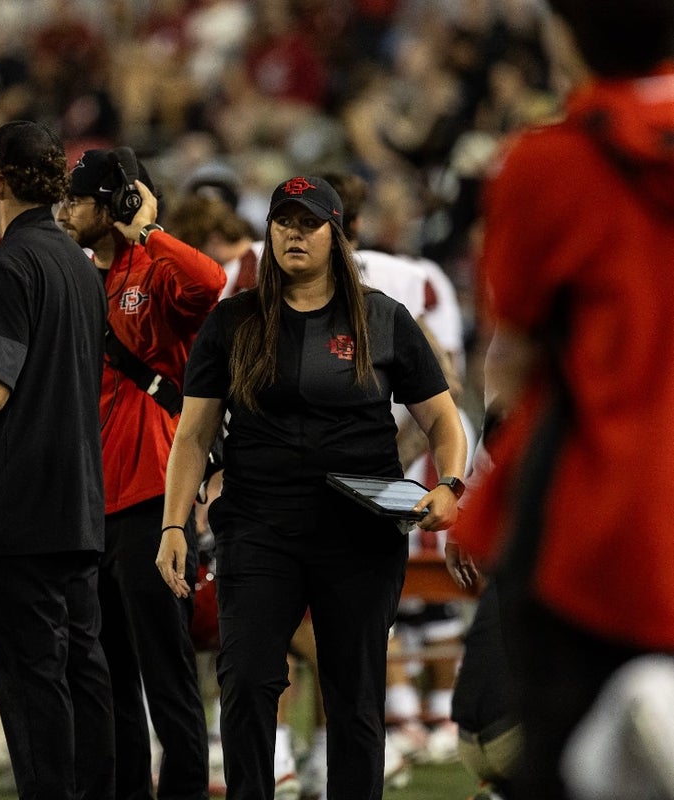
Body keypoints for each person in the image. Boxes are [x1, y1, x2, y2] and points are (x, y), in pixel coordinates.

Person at [156, 175, 468, 800]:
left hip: (359, 530)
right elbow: (192, 435)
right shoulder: (232, 321)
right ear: (268, 232)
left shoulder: (382, 317)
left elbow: (442, 417)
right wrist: (173, 524)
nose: (294, 234)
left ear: (336, 233)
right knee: (247, 680)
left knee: (355, 692)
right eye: (283, 222)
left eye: (309, 223)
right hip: (258, 525)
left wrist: (451, 485)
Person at [451, 2, 674, 798]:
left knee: (541, 750)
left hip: (590, 507)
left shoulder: (546, 162)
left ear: (566, 37)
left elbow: (512, 341)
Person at [0, 120, 114, 800]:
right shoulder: (79, 263)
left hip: (20, 506)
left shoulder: (7, 265)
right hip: (77, 500)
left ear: (1, 180)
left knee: (31, 677)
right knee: (82, 669)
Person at [57, 146, 226, 800]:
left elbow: (209, 283)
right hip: (90, 500)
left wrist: (148, 228)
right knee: (107, 674)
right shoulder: (75, 275)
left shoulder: (152, 269)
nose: (66, 211)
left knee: (166, 669)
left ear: (114, 204)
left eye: (78, 200)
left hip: (154, 496)